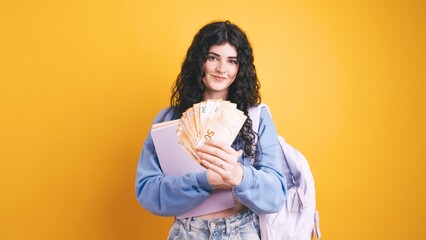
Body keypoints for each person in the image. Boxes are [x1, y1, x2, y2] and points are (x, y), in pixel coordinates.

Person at [135, 20, 287, 239]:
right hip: (188, 232)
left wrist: (239, 176)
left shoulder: (256, 117)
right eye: (213, 57)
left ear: (240, 68)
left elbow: (275, 196)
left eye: (232, 61)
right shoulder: (168, 120)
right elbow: (148, 192)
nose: (221, 69)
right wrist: (203, 181)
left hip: (242, 232)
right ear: (199, 62)